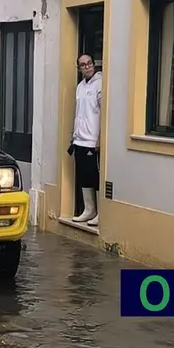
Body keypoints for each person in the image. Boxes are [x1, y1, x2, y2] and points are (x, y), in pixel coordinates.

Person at [68, 54, 102, 226]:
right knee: (83, 176)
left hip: (92, 140)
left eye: (89, 63)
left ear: (94, 64)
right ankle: (89, 210)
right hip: (79, 139)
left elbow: (103, 111)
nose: (87, 67)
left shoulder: (100, 83)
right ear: (79, 68)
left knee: (94, 176)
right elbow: (79, 113)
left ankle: (101, 213)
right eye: (83, 65)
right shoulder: (80, 87)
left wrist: (100, 138)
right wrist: (74, 135)